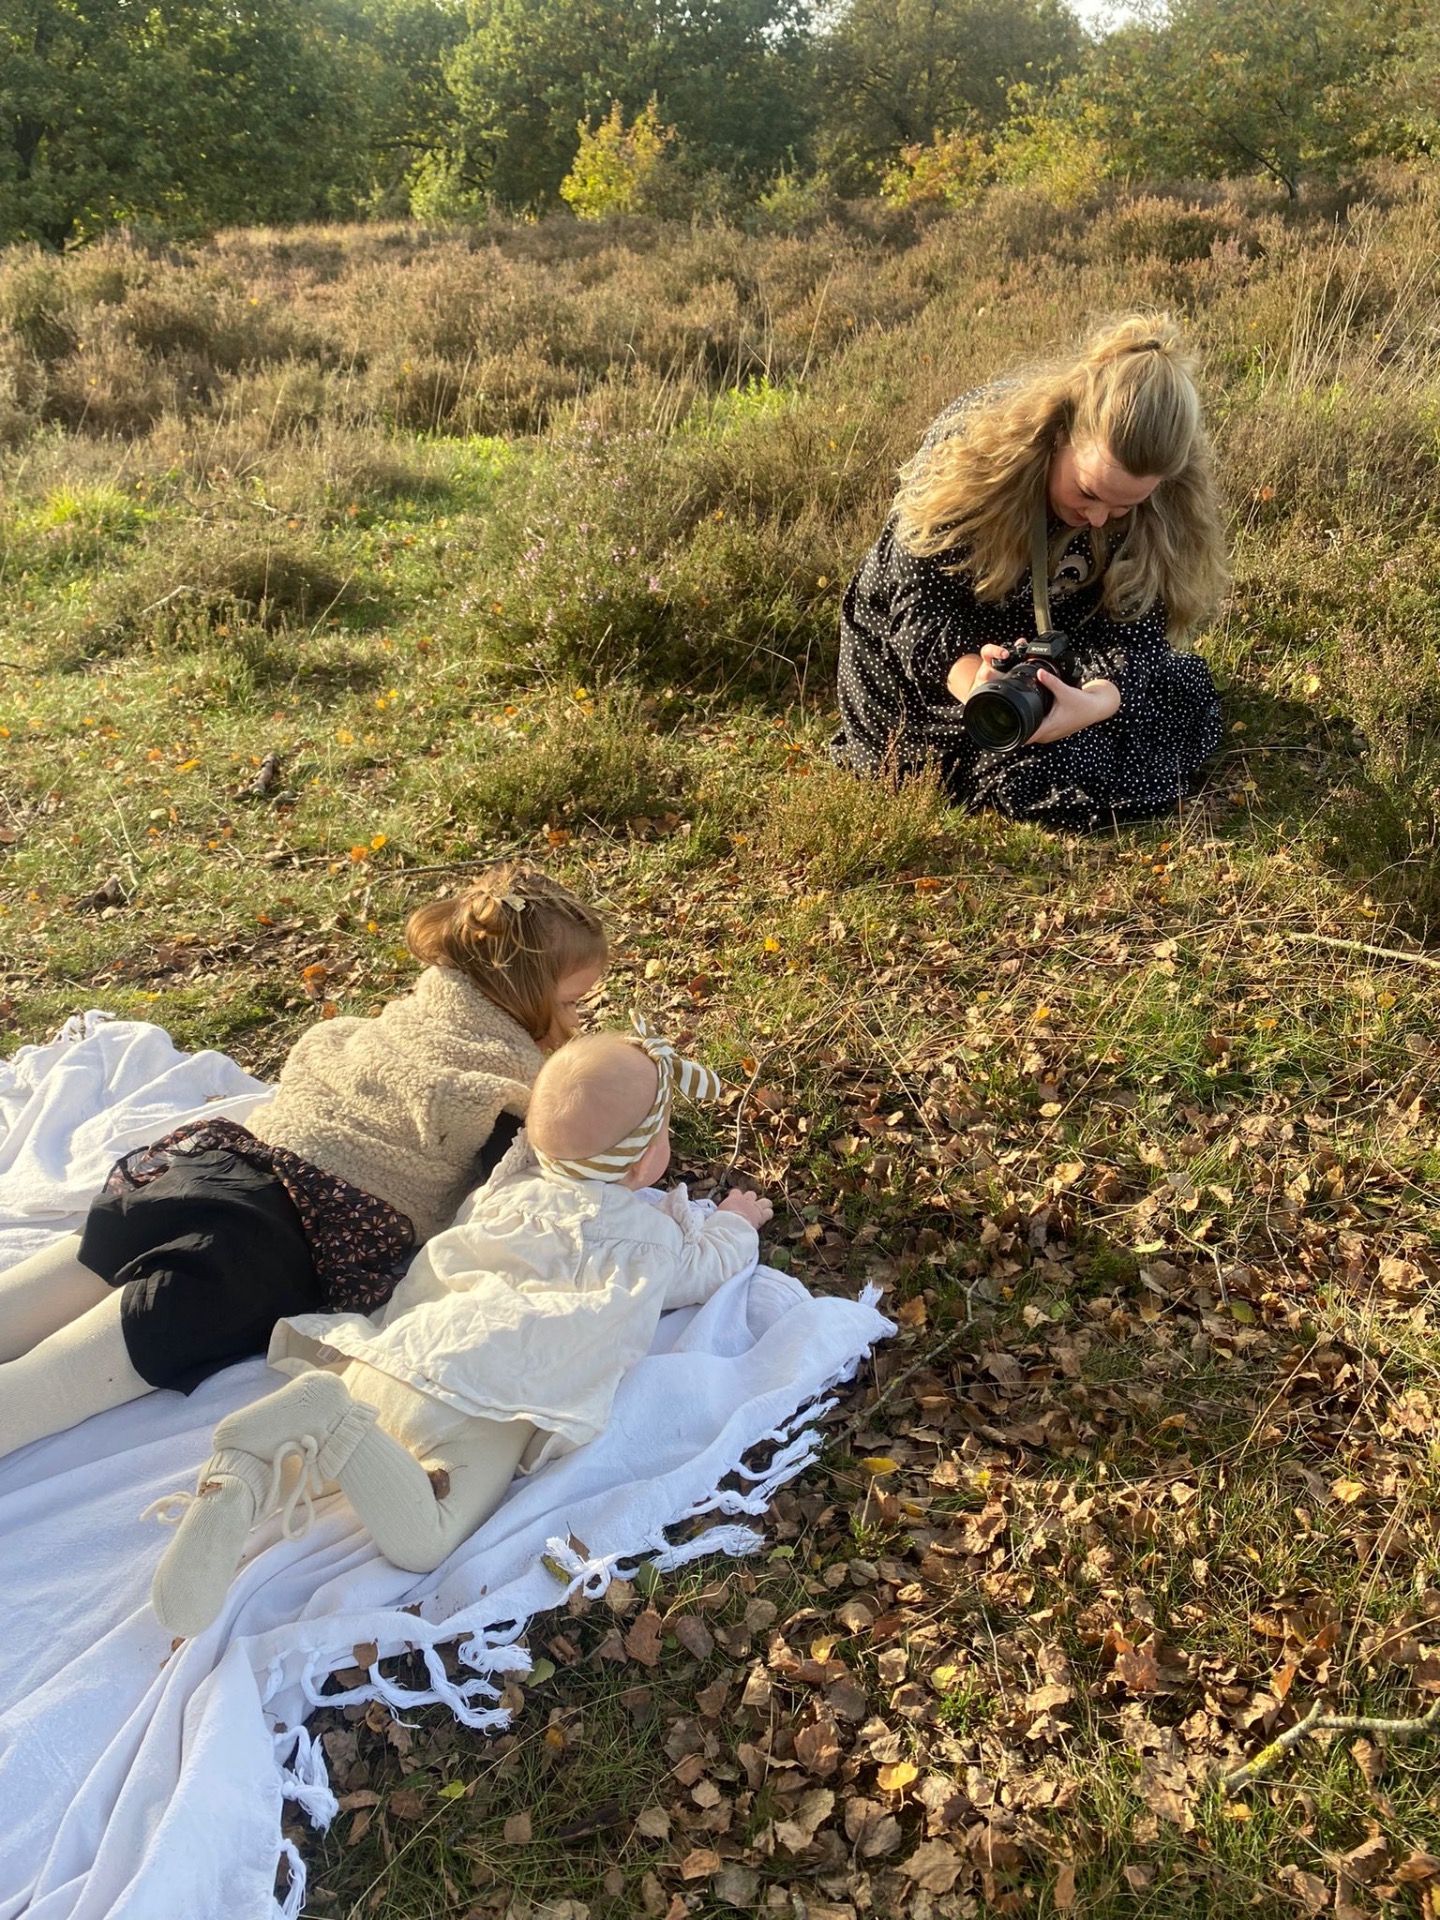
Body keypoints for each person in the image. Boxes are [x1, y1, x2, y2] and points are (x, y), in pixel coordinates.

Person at [147, 1019, 773, 1637]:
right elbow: (708, 1267)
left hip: (394, 1358)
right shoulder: (647, 1239)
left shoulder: (503, 1193)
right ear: (638, 1168)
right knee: (425, 1538)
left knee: (307, 1470)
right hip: (482, 1400)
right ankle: (328, 1420)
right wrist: (735, 1221)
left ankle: (240, 1478)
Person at [0, 862, 608, 1459]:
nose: (578, 1020)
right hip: (262, 1252)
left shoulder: (402, 1024)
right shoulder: (498, 1083)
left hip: (200, 1174)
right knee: (49, 1386)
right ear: (524, 995)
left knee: (58, 1280)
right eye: (573, 1002)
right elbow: (536, 1187)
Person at [833, 314, 1229, 829]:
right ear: (1060, 435)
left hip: (1055, 657)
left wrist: (1093, 701)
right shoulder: (970, 450)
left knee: (1175, 697)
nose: (1098, 518)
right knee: (942, 756)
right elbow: (914, 606)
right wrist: (976, 682)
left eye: (1123, 506)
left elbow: (1139, 628)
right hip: (934, 658)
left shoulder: (1164, 501)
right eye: (1087, 492)